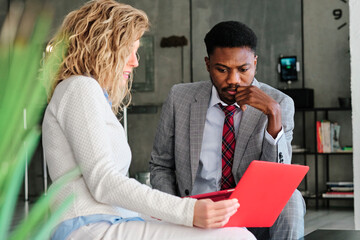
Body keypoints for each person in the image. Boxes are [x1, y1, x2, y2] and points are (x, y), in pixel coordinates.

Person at [42, 1, 256, 239]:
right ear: (103, 46)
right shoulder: (80, 88)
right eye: (129, 51)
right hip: (90, 226)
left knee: (235, 231)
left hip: (112, 218)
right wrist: (188, 211)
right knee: (235, 237)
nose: (135, 62)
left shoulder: (85, 91)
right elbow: (104, 182)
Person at [150, 20, 306, 240]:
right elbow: (161, 165)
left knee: (291, 199)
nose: (234, 81)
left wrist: (274, 116)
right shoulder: (180, 98)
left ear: (255, 63)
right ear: (208, 64)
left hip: (251, 214)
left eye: (243, 69)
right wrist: (177, 213)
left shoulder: (279, 103)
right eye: (222, 69)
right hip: (196, 211)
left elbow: (277, 182)